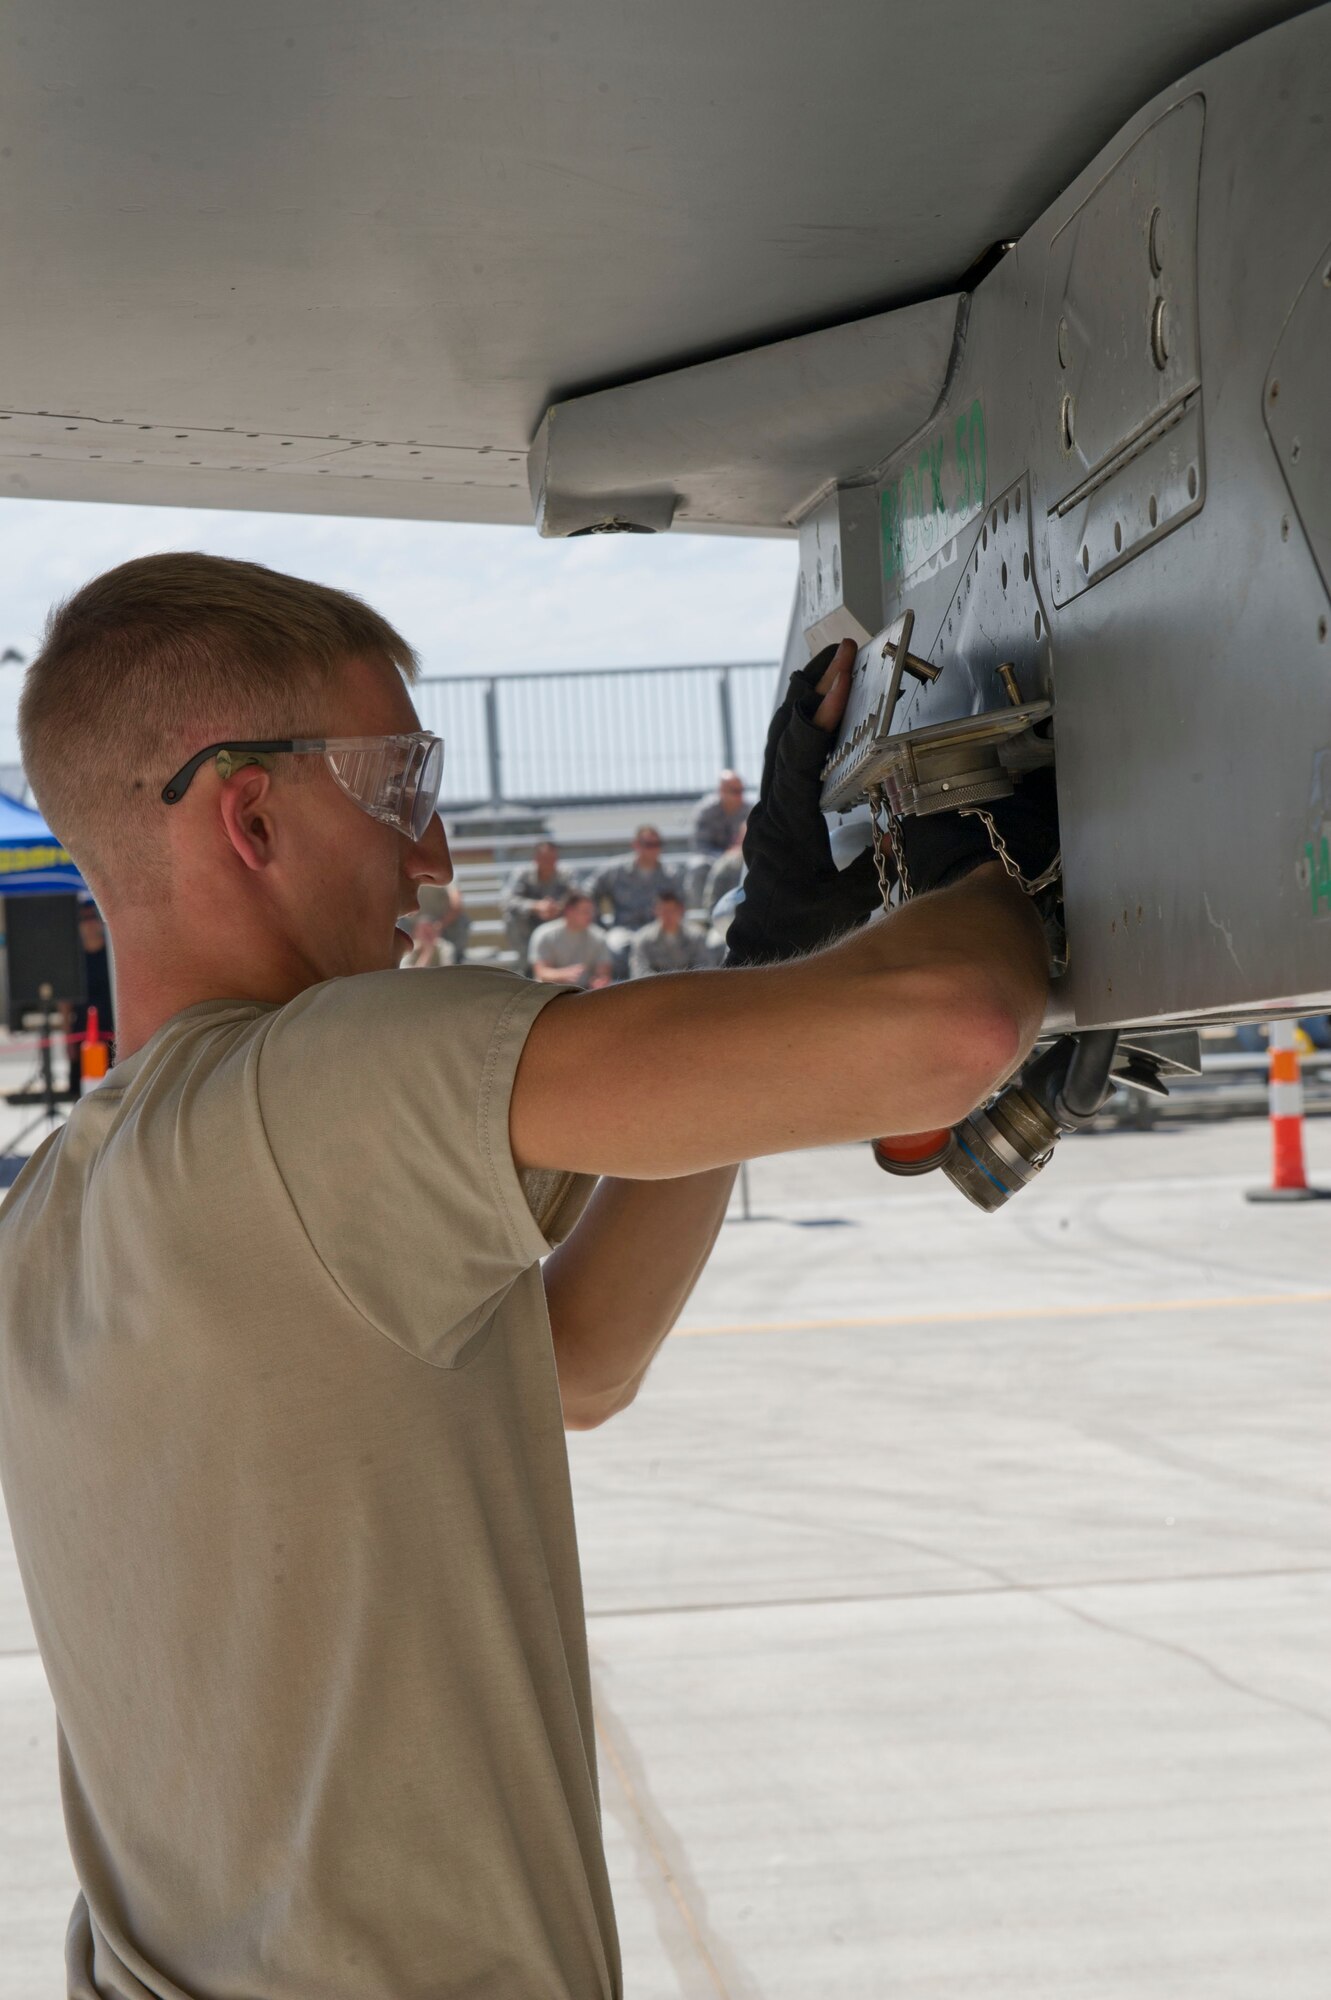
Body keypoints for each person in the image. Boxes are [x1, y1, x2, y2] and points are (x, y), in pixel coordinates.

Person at [0, 554, 1051, 2000]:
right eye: (395, 785)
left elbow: (578, 1359)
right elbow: (950, 1024)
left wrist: (775, 928)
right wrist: (997, 869)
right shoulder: (313, 1093)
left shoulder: (56, 1212)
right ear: (247, 814)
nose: (429, 854)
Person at [587, 825, 683, 976]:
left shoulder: (670, 874)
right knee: (614, 948)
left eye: (657, 845)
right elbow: (589, 892)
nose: (653, 849)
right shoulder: (616, 870)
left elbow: (680, 904)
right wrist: (598, 925)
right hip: (625, 928)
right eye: (648, 845)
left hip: (659, 928)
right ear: (636, 845)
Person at [504, 839, 574, 967]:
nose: (549, 862)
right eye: (545, 858)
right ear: (536, 858)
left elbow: (577, 897)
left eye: (553, 858)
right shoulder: (522, 873)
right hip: (529, 922)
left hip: (559, 919)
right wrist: (536, 906)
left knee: (579, 913)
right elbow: (508, 901)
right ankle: (526, 961)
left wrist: (557, 907)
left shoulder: (566, 873)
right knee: (511, 916)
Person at [530, 890, 613, 987]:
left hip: (586, 995)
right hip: (551, 995)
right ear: (569, 911)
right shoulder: (544, 934)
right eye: (585, 911)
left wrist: (599, 982)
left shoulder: (599, 937)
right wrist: (563, 975)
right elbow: (541, 972)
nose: (590, 916)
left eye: (591, 911)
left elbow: (603, 972)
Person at [628, 888, 713, 978]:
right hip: (655, 989)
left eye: (672, 910)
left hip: (689, 988)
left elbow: (705, 970)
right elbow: (639, 973)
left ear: (680, 910)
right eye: (663, 910)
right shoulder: (642, 939)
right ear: (655, 911)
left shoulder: (696, 937)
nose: (668, 916)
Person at [691, 769, 747, 857]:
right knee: (699, 866)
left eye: (741, 790)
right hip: (712, 860)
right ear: (722, 791)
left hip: (740, 858)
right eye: (735, 791)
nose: (740, 795)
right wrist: (725, 856)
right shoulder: (706, 811)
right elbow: (701, 846)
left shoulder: (749, 811)